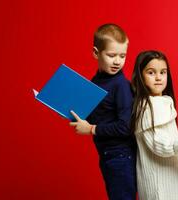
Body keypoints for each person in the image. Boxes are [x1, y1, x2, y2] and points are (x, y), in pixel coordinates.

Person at [130, 50, 178, 200]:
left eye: (163, 72)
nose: (159, 77)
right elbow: (158, 143)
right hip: (158, 183)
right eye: (151, 72)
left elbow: (171, 138)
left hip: (172, 177)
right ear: (140, 76)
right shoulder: (146, 107)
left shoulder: (164, 102)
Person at [69, 24, 137, 200]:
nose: (117, 61)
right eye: (111, 55)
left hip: (121, 156)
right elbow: (98, 115)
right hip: (107, 155)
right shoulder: (97, 81)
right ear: (95, 53)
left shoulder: (121, 85)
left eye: (122, 56)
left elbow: (126, 126)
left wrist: (91, 129)